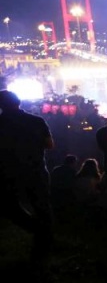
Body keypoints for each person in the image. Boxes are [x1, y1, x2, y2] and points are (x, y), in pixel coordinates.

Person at [0, 90, 55, 262]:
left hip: (8, 171)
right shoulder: (36, 121)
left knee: (9, 207)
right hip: (35, 169)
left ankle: (37, 231)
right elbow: (49, 144)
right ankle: (44, 241)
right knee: (42, 207)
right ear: (19, 102)